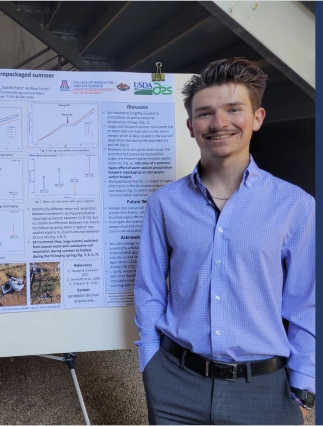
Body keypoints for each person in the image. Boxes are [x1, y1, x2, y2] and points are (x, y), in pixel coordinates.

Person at [134, 57, 315, 425]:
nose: (219, 123)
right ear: (190, 126)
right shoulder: (164, 203)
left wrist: (304, 384)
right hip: (175, 383)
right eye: (205, 113)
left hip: (262, 389)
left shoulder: (296, 206)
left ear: (258, 117)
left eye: (234, 109)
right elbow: (150, 289)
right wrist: (151, 362)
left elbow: (306, 303)